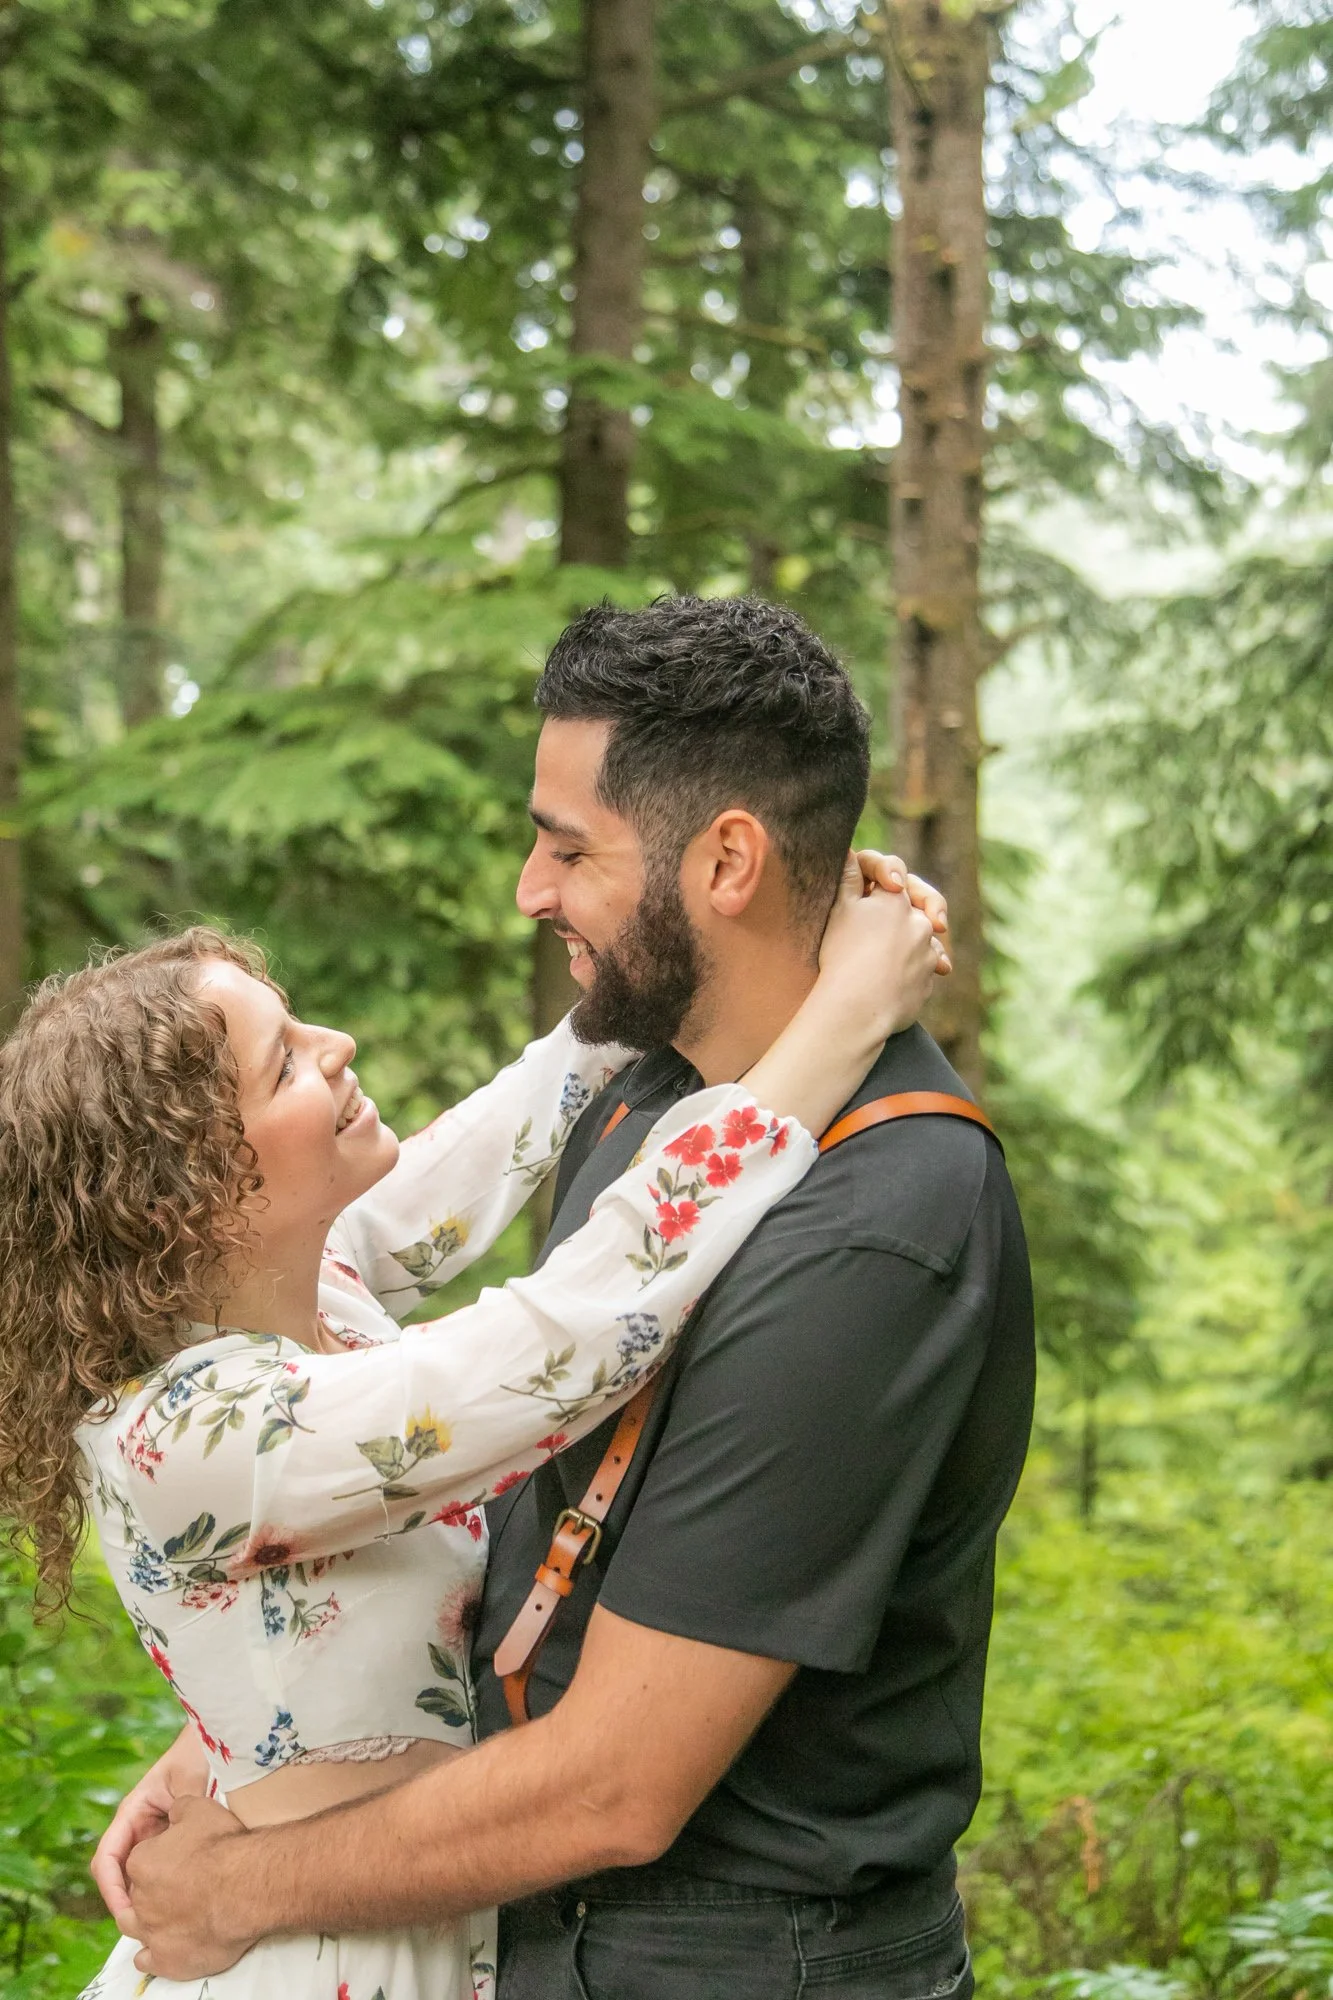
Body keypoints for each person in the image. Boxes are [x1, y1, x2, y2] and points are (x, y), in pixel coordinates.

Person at [99, 596, 1034, 2000]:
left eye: (567, 844)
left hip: (731, 1959)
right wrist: (260, 1722)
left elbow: (614, 1785)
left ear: (726, 859)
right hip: (527, 1930)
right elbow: (536, 1423)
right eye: (284, 1064)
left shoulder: (870, 1220)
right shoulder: (648, 1087)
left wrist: (240, 1867)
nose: (529, 889)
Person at [0, 824, 943, 2000]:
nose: (336, 1047)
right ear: (181, 1197)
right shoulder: (189, 1435)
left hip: (423, 1920)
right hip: (315, 1960)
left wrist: (666, 944)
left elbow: (493, 1141)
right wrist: (840, 1022)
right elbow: (566, 1341)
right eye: (284, 1063)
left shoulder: (311, 1289)